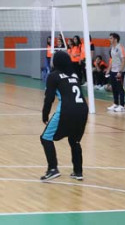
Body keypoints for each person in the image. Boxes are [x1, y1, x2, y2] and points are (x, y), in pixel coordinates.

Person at [40, 52, 88, 181]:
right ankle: (78, 171)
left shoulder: (53, 76)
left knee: (45, 138)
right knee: (74, 140)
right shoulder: (74, 75)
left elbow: (49, 98)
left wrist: (45, 114)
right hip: (83, 110)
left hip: (67, 110)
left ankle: (52, 169)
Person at [107, 33, 125, 112]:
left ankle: (122, 106)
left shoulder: (121, 48)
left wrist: (120, 71)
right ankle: (115, 103)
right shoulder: (112, 48)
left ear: (115, 39)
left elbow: (124, 60)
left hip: (119, 71)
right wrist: (109, 69)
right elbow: (112, 60)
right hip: (113, 71)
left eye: (111, 38)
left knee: (120, 88)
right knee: (114, 88)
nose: (109, 40)